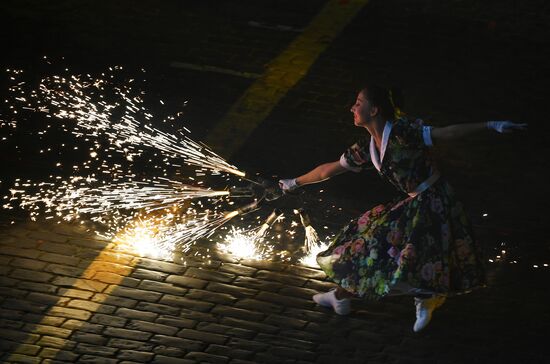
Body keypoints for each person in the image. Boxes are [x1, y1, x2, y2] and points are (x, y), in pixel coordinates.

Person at [279, 85, 527, 332]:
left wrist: (491, 125)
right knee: (366, 244)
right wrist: (294, 182)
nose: (352, 107)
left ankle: (425, 297)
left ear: (374, 110)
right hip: (413, 202)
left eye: (358, 102)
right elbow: (329, 169)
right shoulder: (367, 148)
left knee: (414, 254)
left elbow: (447, 133)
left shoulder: (403, 132)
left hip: (436, 201)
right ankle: (341, 297)